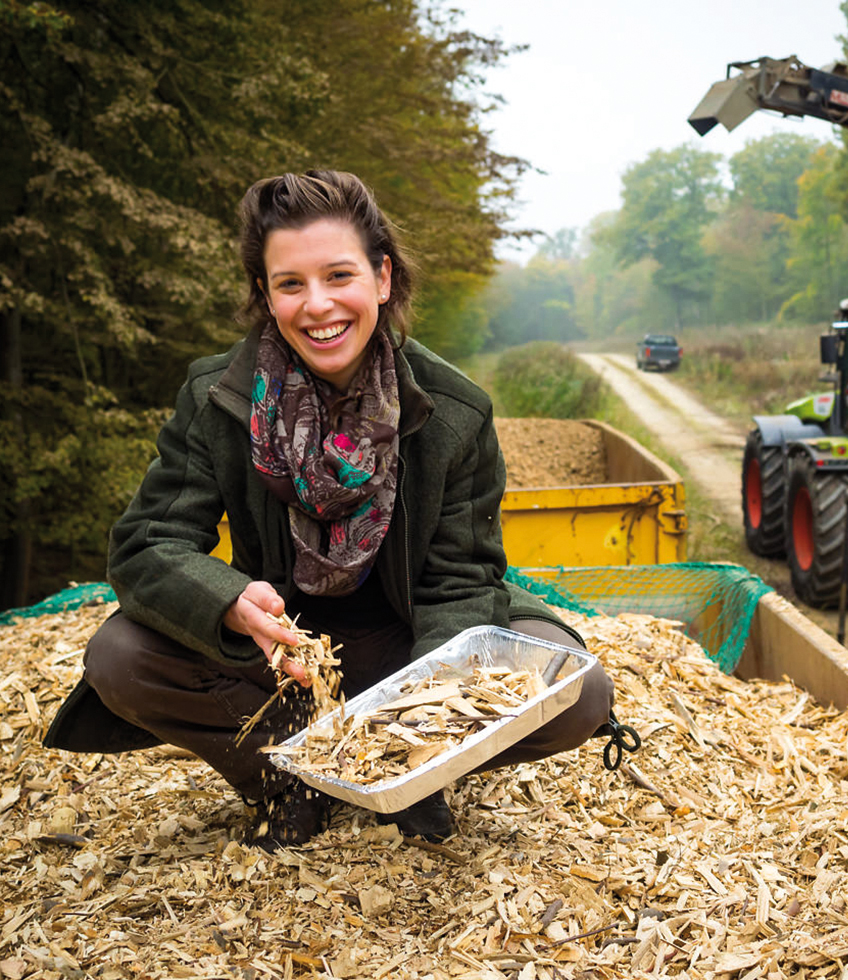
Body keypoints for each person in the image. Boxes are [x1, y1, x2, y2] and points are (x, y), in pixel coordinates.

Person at [44, 169, 614, 851]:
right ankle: (286, 775)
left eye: (338, 276)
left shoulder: (455, 411)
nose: (317, 305)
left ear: (381, 277)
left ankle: (408, 776)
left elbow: (460, 584)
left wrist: (421, 731)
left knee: (580, 693)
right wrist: (228, 600)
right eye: (290, 284)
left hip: (408, 645)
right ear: (265, 295)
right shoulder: (217, 397)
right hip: (282, 657)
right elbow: (145, 546)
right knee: (118, 655)